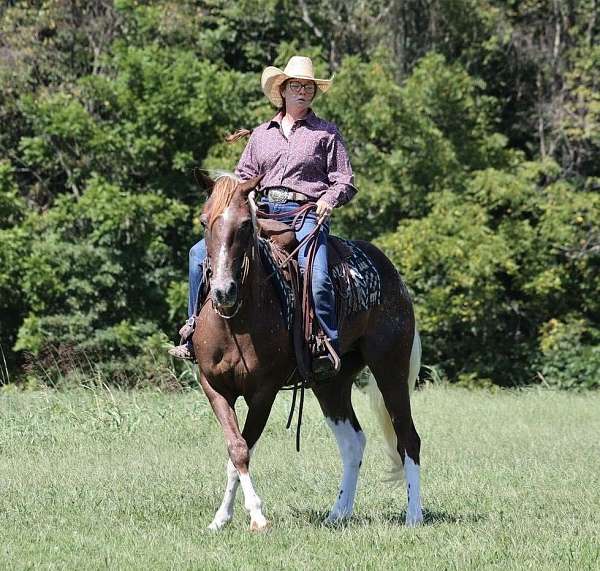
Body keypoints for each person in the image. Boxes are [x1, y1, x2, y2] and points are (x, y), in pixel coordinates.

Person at [170, 55, 357, 376]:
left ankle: (326, 343)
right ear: (282, 90)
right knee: (198, 254)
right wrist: (239, 199)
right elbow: (243, 177)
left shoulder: (326, 133)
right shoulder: (261, 134)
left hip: (304, 215)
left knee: (319, 275)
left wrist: (329, 198)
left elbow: (345, 180)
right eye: (297, 85)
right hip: (263, 212)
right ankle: (191, 330)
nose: (304, 91)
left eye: (309, 87)